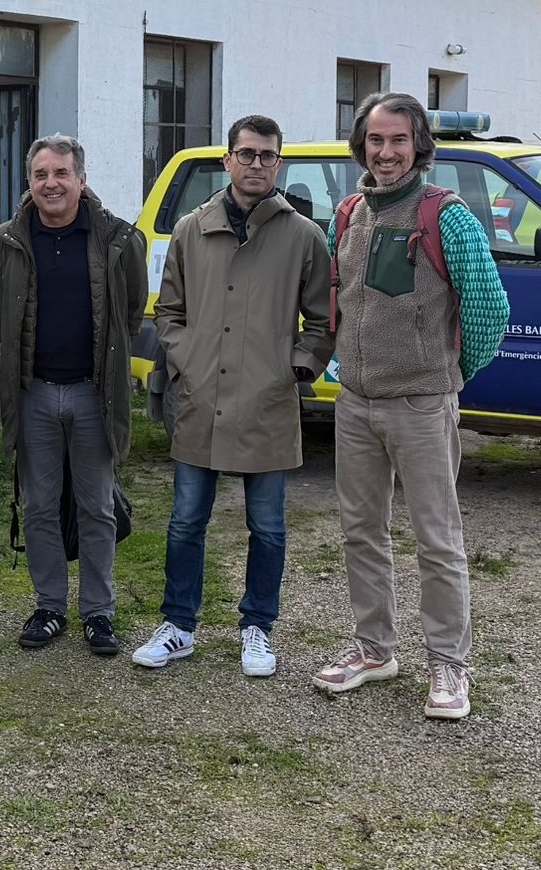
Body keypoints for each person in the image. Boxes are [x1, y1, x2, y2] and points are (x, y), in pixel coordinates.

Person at [311, 92, 508, 721]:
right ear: (360, 145)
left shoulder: (447, 218)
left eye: (398, 140)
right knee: (360, 530)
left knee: (437, 539)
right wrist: (349, 371)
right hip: (356, 403)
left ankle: (449, 666)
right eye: (375, 140)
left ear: (418, 144)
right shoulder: (347, 214)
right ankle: (375, 650)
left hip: (422, 404)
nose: (386, 152)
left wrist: (446, 379)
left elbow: (489, 311)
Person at [132, 115, 332, 676]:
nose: (256, 165)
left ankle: (257, 628)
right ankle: (178, 626)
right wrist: (187, 359)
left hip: (268, 403)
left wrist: (294, 370)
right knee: (185, 521)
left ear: (279, 163)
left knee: (266, 525)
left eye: (268, 156)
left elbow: (322, 320)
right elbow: (169, 311)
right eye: (246, 154)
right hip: (201, 397)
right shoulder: (192, 231)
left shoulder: (303, 236)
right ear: (228, 160)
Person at [0, 135, 147, 656]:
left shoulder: (117, 240)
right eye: (40, 174)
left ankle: (98, 612)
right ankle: (49, 605)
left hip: (93, 396)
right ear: (29, 181)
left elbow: (132, 310)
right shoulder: (5, 242)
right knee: (38, 507)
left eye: (61, 173)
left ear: (81, 178)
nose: (50, 183)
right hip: (32, 396)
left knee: (96, 506)